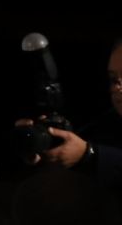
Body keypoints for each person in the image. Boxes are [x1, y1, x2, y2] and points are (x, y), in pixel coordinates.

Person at [20, 36, 122, 191]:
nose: (117, 87)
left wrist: (89, 155)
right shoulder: (104, 126)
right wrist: (45, 146)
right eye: (114, 79)